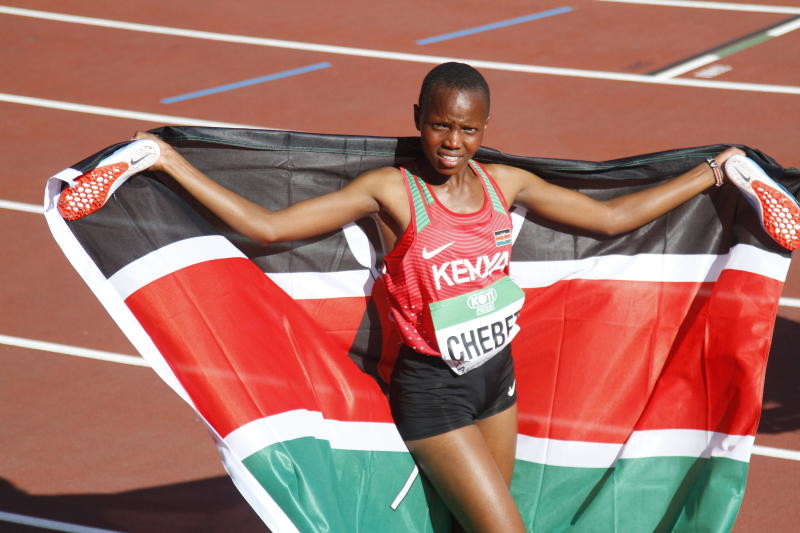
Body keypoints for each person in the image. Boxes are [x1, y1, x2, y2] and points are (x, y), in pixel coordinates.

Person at [110, 63, 744, 532]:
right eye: (440, 124)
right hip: (434, 392)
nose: (452, 141)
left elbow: (612, 219)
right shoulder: (391, 190)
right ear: (417, 116)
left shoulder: (505, 184)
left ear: (485, 129)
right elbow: (270, 228)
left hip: (497, 379)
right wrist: (167, 161)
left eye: (467, 129)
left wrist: (712, 172)